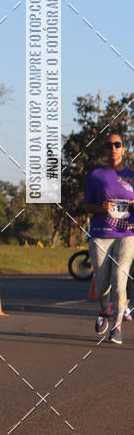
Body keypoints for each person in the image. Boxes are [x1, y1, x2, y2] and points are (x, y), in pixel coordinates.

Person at [84, 130, 134, 344]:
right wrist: (100, 208)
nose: (113, 148)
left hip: (127, 233)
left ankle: (116, 326)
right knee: (102, 283)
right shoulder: (96, 176)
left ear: (123, 148)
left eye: (117, 144)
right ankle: (105, 310)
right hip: (101, 233)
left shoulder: (132, 176)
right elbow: (87, 206)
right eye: (109, 145)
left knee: (119, 281)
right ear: (105, 150)